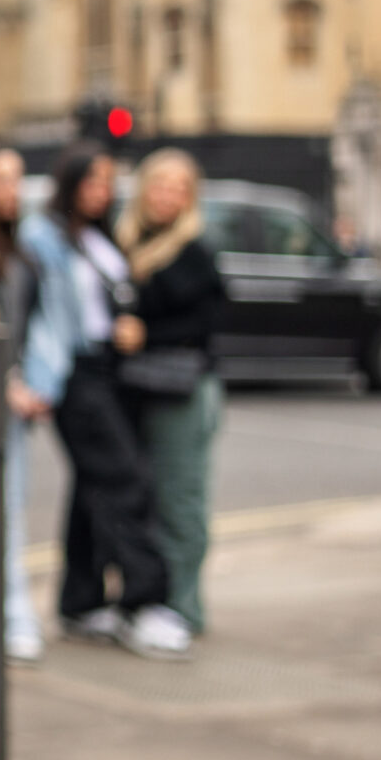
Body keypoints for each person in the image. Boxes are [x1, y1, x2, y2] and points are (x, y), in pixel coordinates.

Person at [17, 145, 188, 660]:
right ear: (69, 184)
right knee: (126, 480)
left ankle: (81, 602)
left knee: (93, 489)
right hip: (74, 375)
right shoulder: (44, 237)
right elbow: (33, 312)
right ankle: (143, 604)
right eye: (92, 182)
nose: (102, 192)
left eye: (108, 183)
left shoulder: (99, 235)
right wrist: (29, 376)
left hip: (110, 370)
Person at [116, 148, 225, 635]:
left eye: (180, 188)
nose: (169, 196)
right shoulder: (127, 240)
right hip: (141, 387)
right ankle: (151, 599)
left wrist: (145, 335)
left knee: (181, 500)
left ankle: (184, 608)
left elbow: (205, 324)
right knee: (145, 498)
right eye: (161, 184)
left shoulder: (194, 249)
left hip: (183, 390)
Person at [0, 147, 43, 663]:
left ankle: (14, 612)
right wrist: (3, 380)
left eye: (17, 180)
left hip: (11, 406)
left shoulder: (22, 251)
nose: (11, 190)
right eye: (0, 179)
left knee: (10, 511)